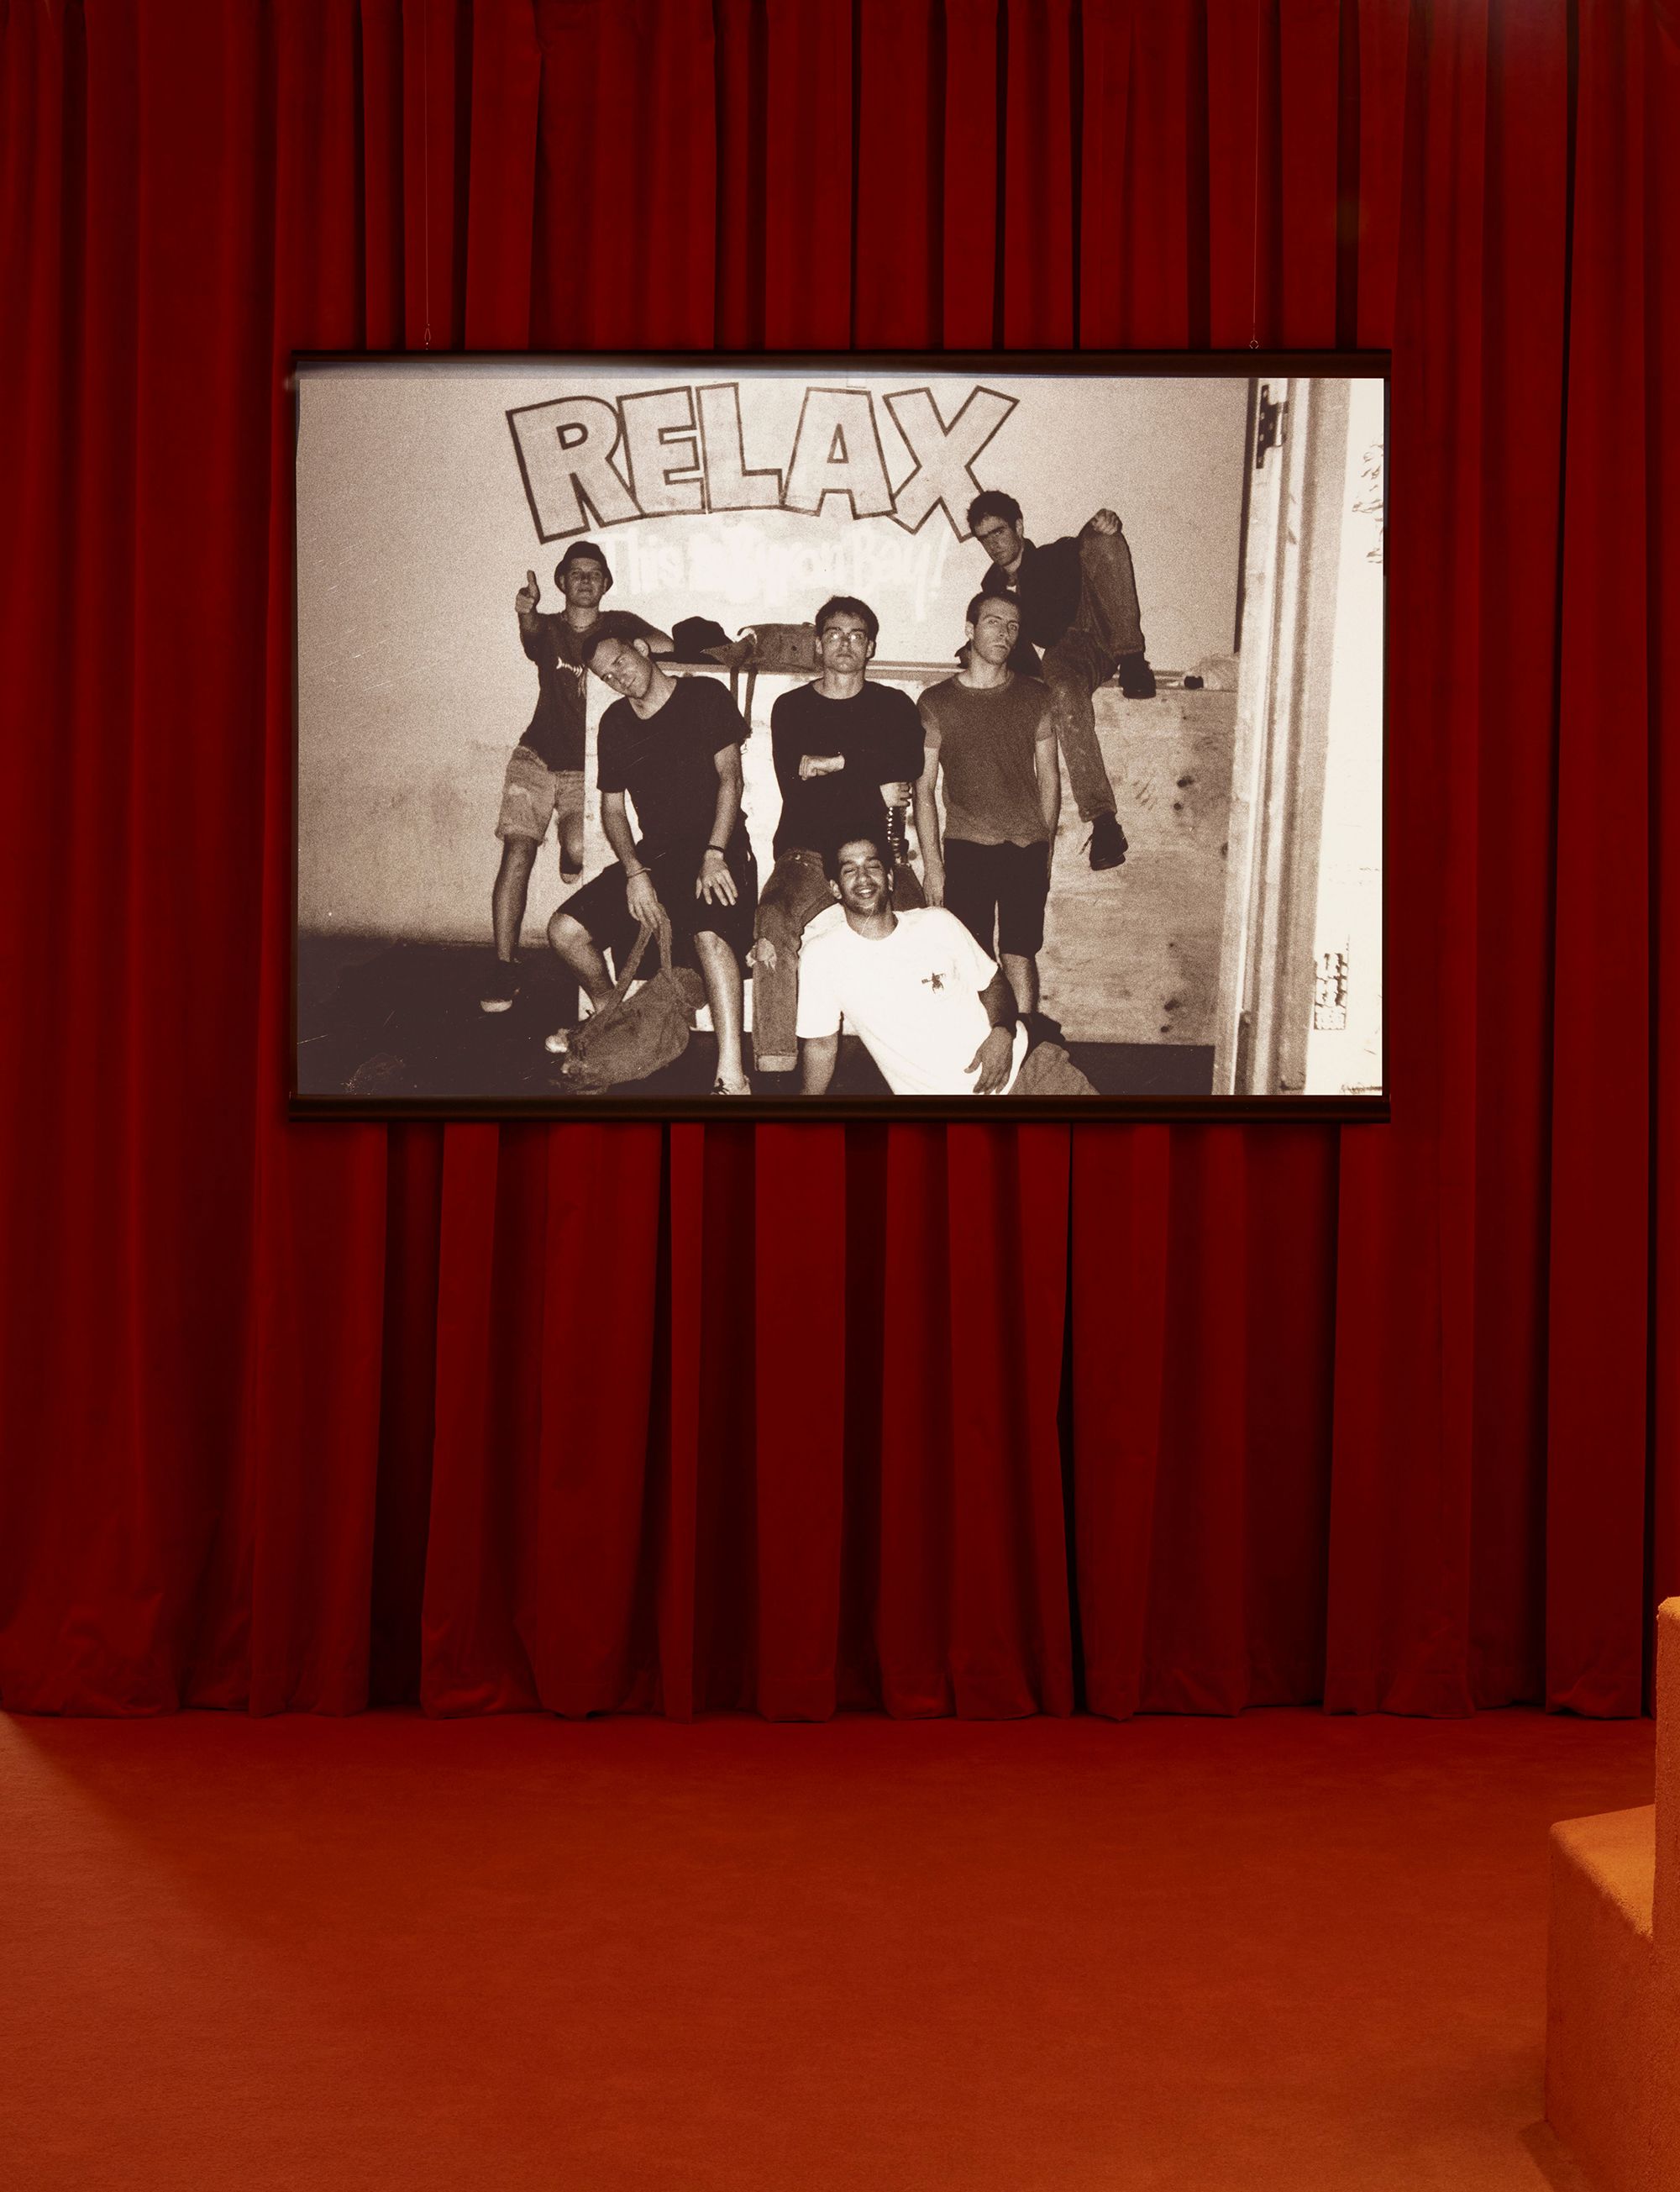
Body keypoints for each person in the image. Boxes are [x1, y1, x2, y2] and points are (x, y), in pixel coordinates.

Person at [545, 633, 758, 1096]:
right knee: (564, 930)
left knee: (711, 937)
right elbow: (613, 810)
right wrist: (635, 873)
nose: (618, 677)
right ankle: (608, 1014)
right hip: (656, 857)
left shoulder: (704, 695)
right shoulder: (615, 723)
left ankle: (731, 1075)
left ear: (642, 648)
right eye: (607, 675)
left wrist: (716, 852)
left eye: (620, 661)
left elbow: (730, 778)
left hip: (718, 849)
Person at [481, 540, 672, 1012]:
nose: (585, 580)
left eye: (595, 573)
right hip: (536, 755)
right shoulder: (547, 629)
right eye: (576, 573)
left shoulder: (620, 624)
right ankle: (504, 966)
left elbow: (668, 644)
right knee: (518, 849)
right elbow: (530, 631)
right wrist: (525, 611)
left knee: (580, 850)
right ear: (562, 583)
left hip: (584, 767)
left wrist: (641, 647)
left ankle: (568, 853)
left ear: (605, 584)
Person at [749, 595, 924, 1075]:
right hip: (806, 854)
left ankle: (922, 1052)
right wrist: (874, 786)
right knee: (773, 917)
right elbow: (800, 794)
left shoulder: (894, 705)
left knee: (922, 926)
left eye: (856, 635)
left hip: (878, 856)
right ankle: (776, 1066)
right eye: (834, 634)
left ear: (870, 647)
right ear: (818, 645)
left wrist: (836, 764)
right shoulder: (791, 707)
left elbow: (909, 765)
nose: (845, 643)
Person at [795, 830, 1095, 1099]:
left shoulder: (936, 923)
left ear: (888, 878)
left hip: (1026, 1070)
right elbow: (821, 1045)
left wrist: (1002, 1032)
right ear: (835, 888)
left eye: (872, 866)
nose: (863, 878)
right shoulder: (822, 956)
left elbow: (992, 982)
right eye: (850, 870)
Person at [968, 487, 1156, 874]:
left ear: (1018, 527)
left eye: (999, 532)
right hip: (1070, 651)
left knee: (1102, 538)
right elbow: (1018, 647)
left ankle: (1133, 658)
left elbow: (1086, 546)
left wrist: (1102, 523)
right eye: (984, 538)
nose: (993, 544)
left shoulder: (1055, 555)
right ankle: (1104, 823)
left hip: (1104, 625)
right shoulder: (992, 590)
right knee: (1062, 693)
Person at [915, 593, 1059, 1022]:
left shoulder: (1036, 697)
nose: (1004, 633)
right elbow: (924, 789)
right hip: (967, 845)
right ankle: (979, 1046)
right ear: (970, 629)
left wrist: (1045, 846)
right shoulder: (936, 701)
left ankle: (1026, 1049)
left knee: (1019, 951)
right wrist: (934, 865)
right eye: (994, 622)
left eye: (1013, 626)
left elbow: (1049, 777)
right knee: (970, 957)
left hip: (1025, 844)